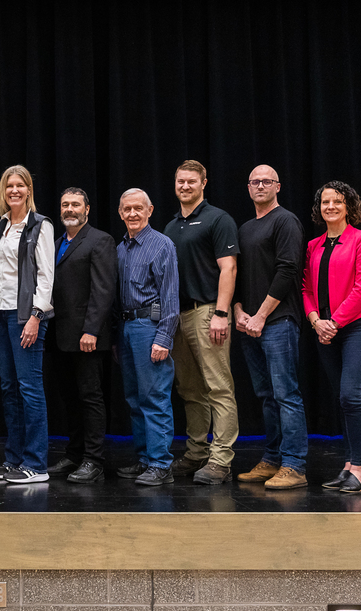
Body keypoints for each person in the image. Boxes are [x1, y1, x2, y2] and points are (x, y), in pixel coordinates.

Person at [163, 160, 240, 485]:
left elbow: (229, 268)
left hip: (207, 312)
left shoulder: (218, 219)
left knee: (218, 387)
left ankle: (221, 460)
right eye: (180, 181)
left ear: (203, 183)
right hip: (176, 318)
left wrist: (221, 313)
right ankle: (196, 454)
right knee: (190, 389)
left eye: (191, 181)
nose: (185, 186)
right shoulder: (170, 227)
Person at [233, 165, 308, 490]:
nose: (260, 185)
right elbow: (235, 274)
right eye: (254, 181)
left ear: (278, 186)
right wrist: (237, 311)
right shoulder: (246, 227)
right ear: (248, 188)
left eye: (266, 181)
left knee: (286, 395)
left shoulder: (285, 221)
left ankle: (295, 466)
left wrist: (261, 315)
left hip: (277, 321)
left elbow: (288, 269)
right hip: (249, 324)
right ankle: (272, 459)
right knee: (266, 397)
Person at [302, 181, 361, 494]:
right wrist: (316, 321)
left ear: (349, 207)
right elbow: (306, 288)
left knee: (350, 396)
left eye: (337, 202)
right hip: (325, 330)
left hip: (357, 327)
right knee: (343, 401)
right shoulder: (314, 246)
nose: (330, 206)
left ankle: (359, 469)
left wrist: (334, 322)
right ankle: (347, 464)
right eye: (325, 202)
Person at [0, 165, 55, 484]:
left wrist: (35, 317)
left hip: (26, 317)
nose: (14, 190)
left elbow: (46, 276)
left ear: (29, 190)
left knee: (30, 389)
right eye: (9, 185)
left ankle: (36, 464)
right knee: (9, 389)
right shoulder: (0, 226)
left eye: (20, 185)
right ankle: (14, 459)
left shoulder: (41, 225)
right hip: (0, 316)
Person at [45, 187, 117, 484]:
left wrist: (91, 330)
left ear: (87, 209)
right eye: (65, 204)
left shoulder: (100, 240)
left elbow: (103, 290)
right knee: (69, 398)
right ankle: (74, 454)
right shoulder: (57, 242)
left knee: (90, 398)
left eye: (76, 204)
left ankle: (94, 461)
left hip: (87, 337)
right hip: (60, 336)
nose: (70, 209)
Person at [115, 189, 180, 486]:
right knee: (134, 398)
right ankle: (144, 459)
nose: (132, 214)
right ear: (120, 212)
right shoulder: (120, 248)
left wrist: (164, 337)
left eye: (138, 208)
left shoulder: (161, 244)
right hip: (127, 328)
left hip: (149, 327)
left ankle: (161, 464)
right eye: (127, 209)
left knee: (154, 397)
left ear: (150, 210)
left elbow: (170, 297)